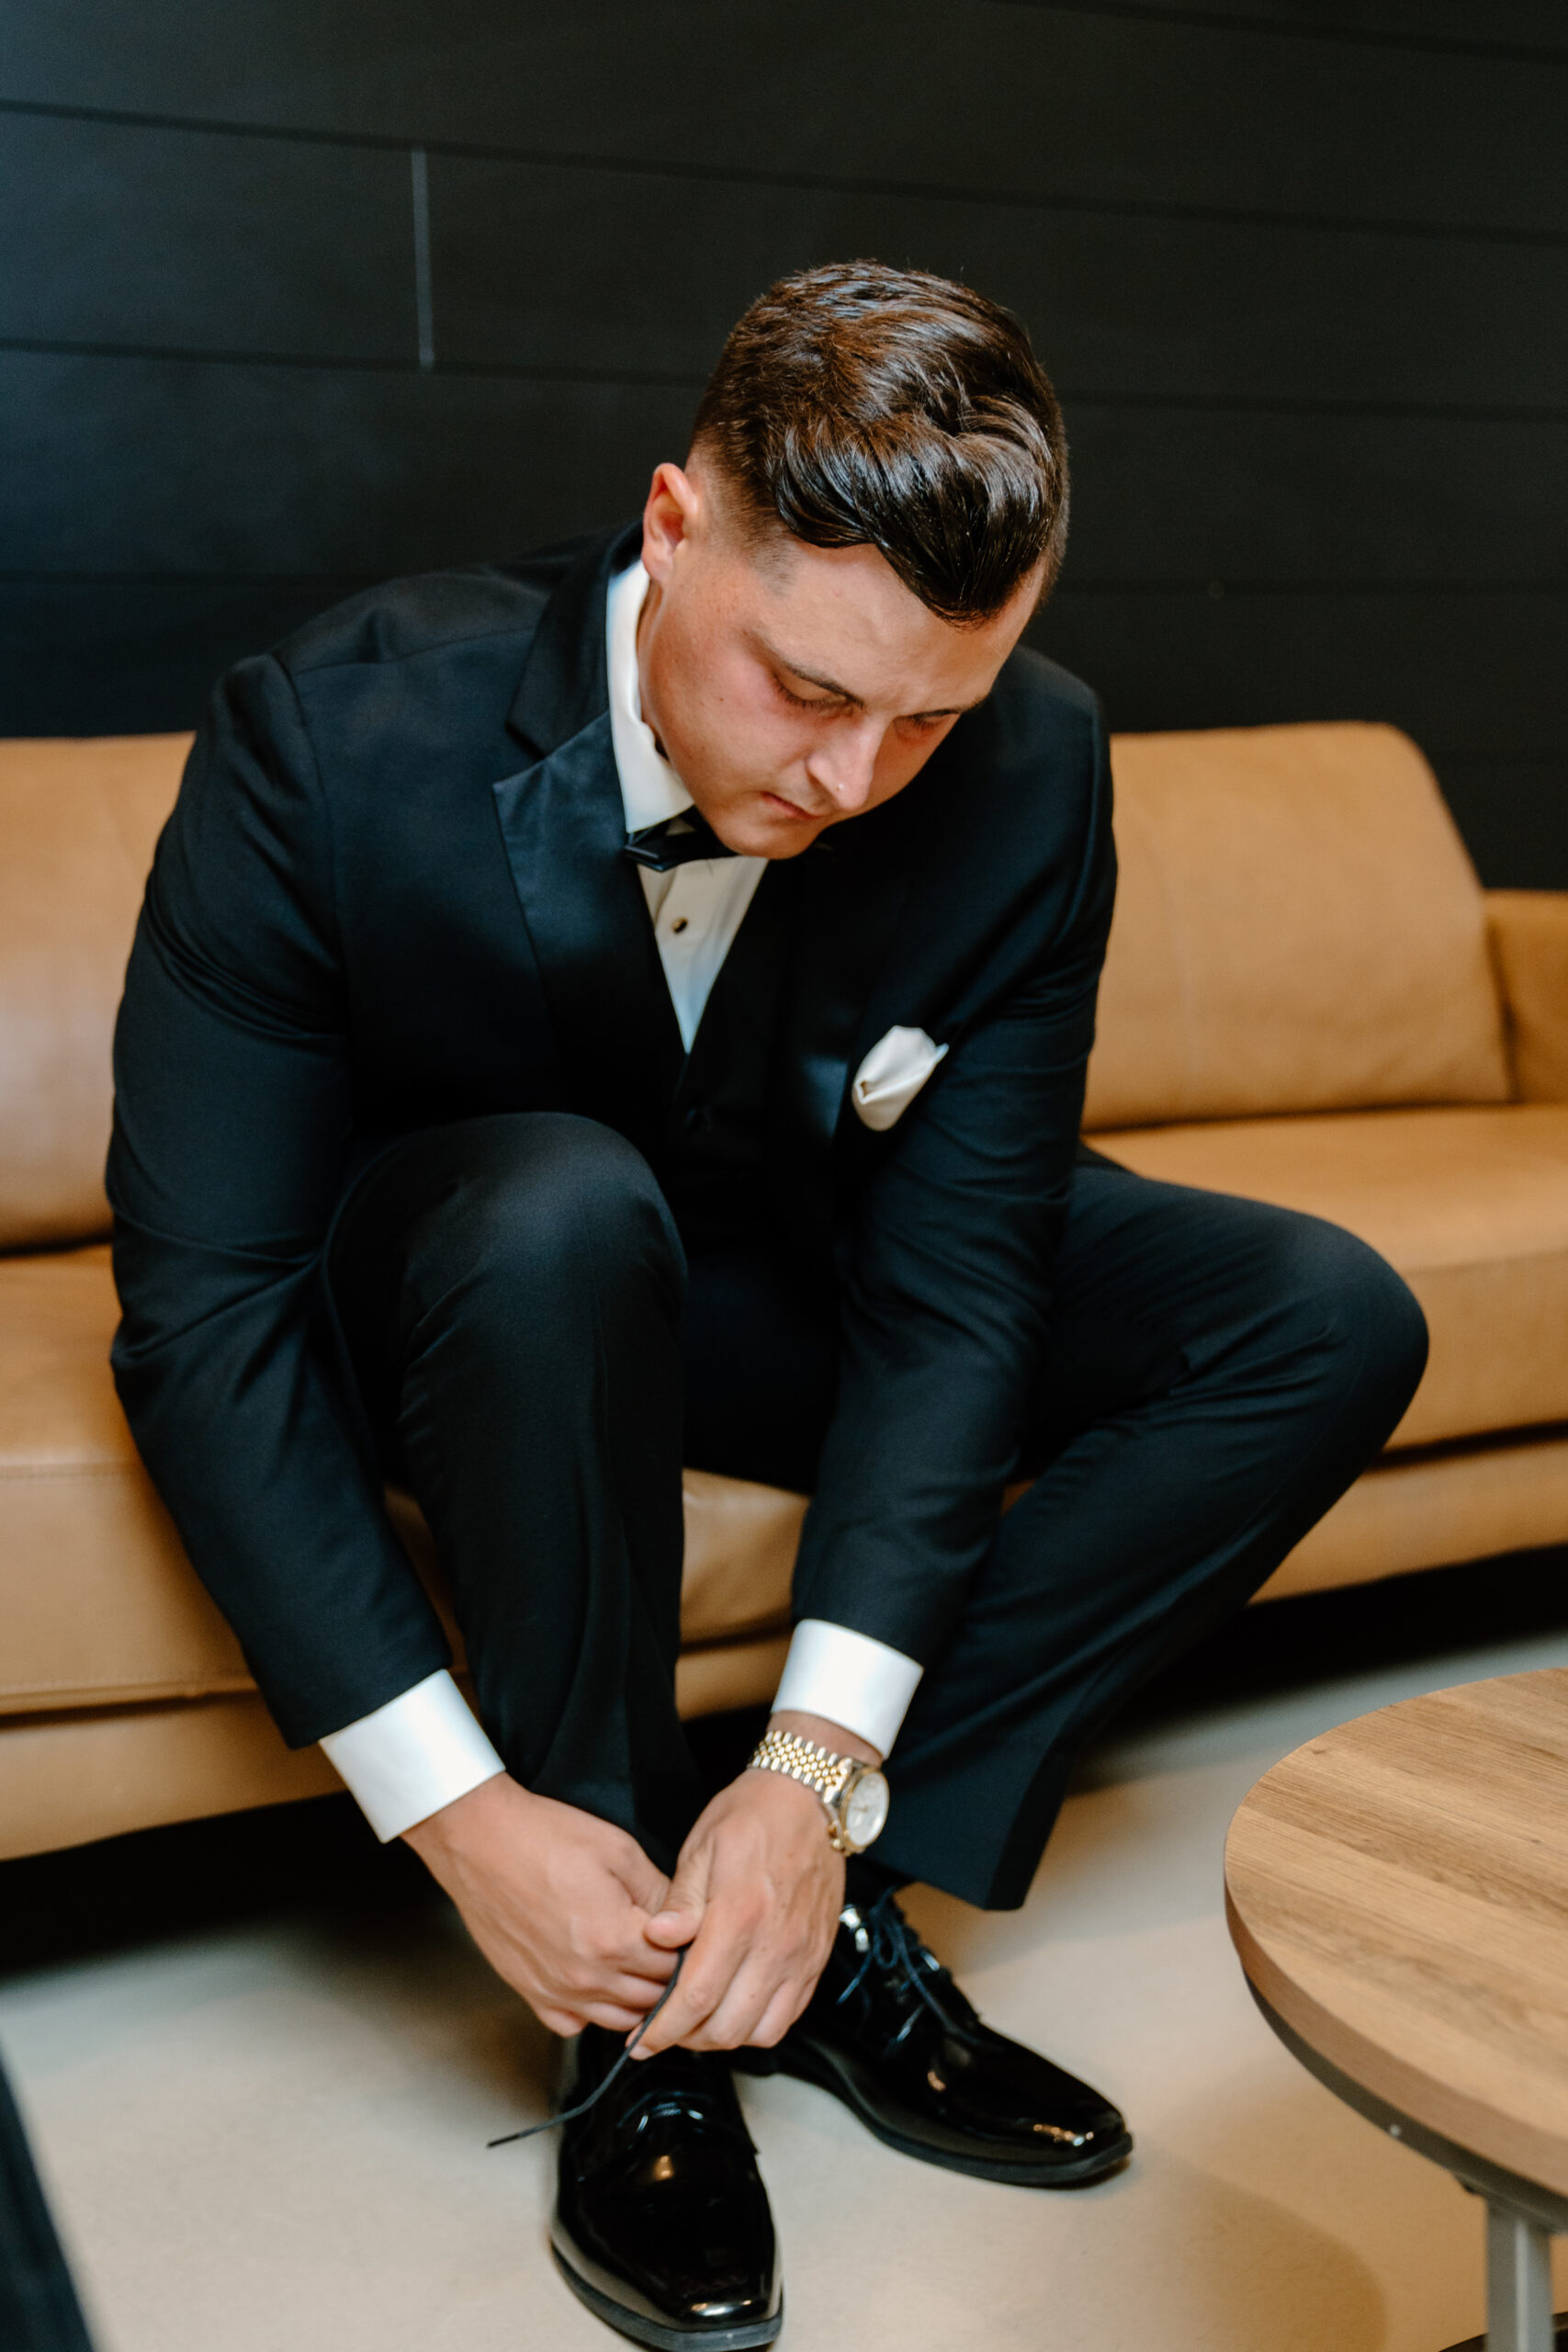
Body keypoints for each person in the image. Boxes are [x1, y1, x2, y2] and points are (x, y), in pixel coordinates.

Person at [108, 263, 1427, 2349]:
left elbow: (960, 1270)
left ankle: (808, 1919)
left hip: (779, 1272)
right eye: (808, 689)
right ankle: (638, 2000)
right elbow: (207, 1306)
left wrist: (812, 1770)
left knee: (1312, 1310)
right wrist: (454, 1811)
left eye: (930, 714)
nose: (853, 777)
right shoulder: (333, 731)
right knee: (556, 1203)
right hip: (481, 1293)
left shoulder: (1028, 763)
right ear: (669, 526)